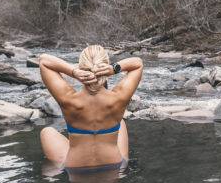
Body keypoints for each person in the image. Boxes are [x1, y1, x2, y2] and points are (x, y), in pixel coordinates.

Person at [38, 45, 143, 176]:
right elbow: (138, 63)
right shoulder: (119, 98)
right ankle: (124, 166)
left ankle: (53, 171)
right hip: (113, 165)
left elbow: (43, 60)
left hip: (76, 168)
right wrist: (113, 68)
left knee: (47, 131)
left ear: (81, 68)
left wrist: (73, 71)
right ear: (106, 67)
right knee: (120, 122)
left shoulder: (68, 99)